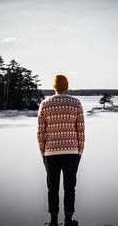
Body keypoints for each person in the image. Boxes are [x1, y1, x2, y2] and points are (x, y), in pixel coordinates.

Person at [37, 74, 85, 226]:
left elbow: (40, 132)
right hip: (72, 152)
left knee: (52, 188)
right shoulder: (76, 103)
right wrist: (80, 152)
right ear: (67, 86)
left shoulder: (45, 104)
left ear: (54, 87)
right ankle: (69, 220)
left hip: (51, 153)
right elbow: (81, 131)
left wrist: (43, 152)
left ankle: (53, 221)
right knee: (70, 187)